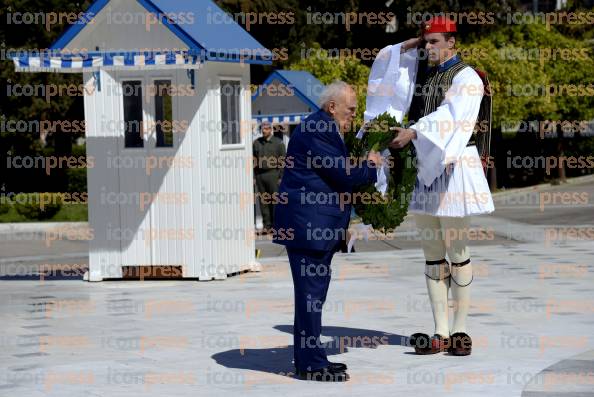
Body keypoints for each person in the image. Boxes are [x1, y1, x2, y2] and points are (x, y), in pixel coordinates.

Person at [364, 16, 494, 356]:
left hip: (453, 166)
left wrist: (414, 131)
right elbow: (384, 67)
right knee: (433, 255)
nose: (428, 48)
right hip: (423, 166)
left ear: (453, 42)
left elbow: (452, 116)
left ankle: (460, 330)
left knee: (458, 252)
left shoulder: (467, 76)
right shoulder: (421, 74)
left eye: (435, 41)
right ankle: (439, 331)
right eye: (426, 42)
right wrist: (408, 44)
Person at [273, 81, 382, 381]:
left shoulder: (322, 127)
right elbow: (343, 174)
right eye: (349, 112)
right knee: (310, 297)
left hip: (314, 226)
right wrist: (371, 166)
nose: (352, 118)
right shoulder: (319, 129)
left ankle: (313, 358)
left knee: (312, 297)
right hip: (308, 228)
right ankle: (310, 365)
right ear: (332, 107)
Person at [253, 121, 286, 234]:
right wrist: (254, 176)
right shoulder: (256, 143)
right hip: (260, 175)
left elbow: (283, 161)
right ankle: (267, 226)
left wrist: (281, 176)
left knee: (275, 201)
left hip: (273, 174)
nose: (264, 130)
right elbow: (254, 160)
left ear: (271, 129)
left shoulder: (278, 143)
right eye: (262, 128)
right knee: (264, 202)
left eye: (266, 128)